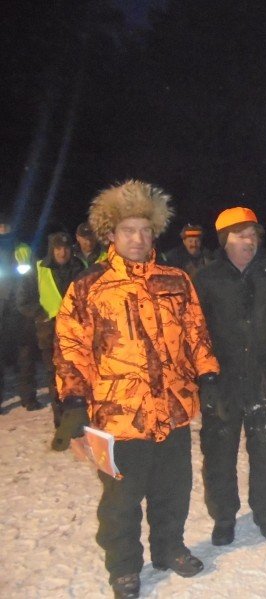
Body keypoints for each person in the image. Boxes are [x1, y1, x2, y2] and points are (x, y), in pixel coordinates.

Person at [51, 180, 220, 599]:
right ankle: (124, 567)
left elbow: (197, 334)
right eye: (128, 230)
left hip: (173, 409)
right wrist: (74, 404)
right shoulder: (89, 286)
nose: (138, 239)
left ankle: (169, 548)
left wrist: (209, 376)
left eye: (145, 230)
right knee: (121, 501)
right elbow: (70, 349)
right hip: (118, 417)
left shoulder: (176, 279)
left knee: (173, 490)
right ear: (110, 233)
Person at [194, 207, 266, 546]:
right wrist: (201, 377)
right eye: (240, 235)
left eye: (253, 235)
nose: (249, 241)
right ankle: (224, 516)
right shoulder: (205, 280)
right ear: (224, 240)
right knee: (219, 454)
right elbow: (193, 333)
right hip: (221, 383)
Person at [16, 231, 84, 426]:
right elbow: (23, 301)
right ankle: (61, 421)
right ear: (51, 250)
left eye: (66, 248)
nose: (62, 253)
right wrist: (41, 315)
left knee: (78, 376)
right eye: (58, 248)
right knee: (55, 377)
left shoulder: (79, 267)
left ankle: (79, 418)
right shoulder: (38, 269)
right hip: (50, 333)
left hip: (77, 333)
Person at [0, 212, 43, 412]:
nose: (3, 230)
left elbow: (34, 278)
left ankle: (29, 398)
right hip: (1, 309)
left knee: (26, 356)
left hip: (21, 310)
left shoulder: (24, 249)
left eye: (6, 226)